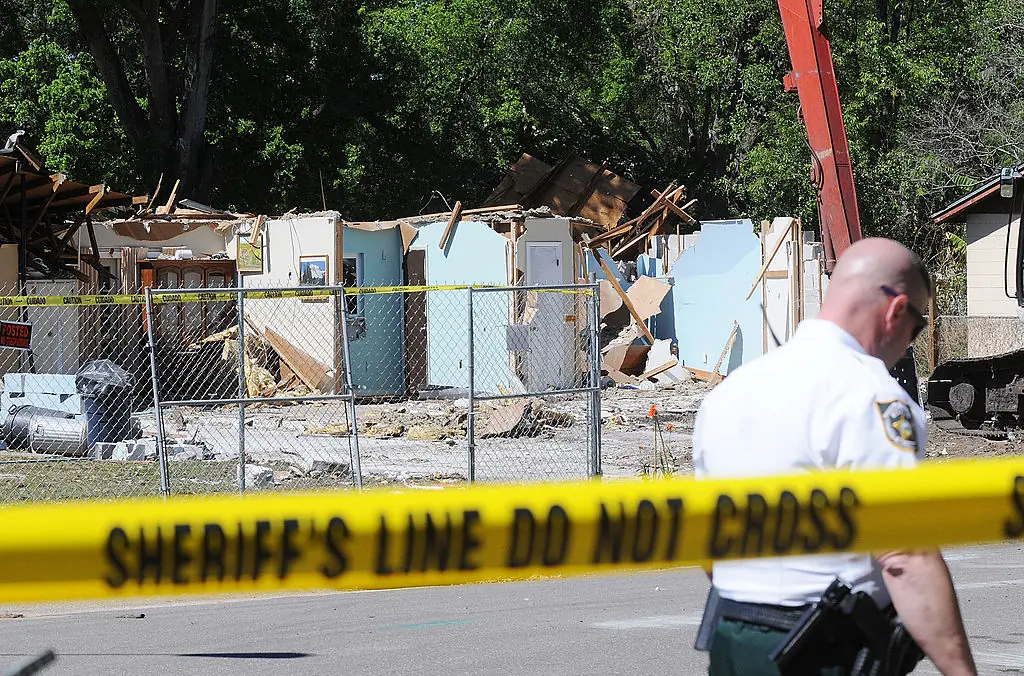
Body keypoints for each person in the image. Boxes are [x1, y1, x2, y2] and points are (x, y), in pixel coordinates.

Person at [692, 238, 976, 676]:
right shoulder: (873, 397)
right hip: (822, 649)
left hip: (733, 638)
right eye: (917, 328)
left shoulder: (730, 392)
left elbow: (708, 537)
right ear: (895, 310)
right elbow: (904, 556)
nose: (908, 345)